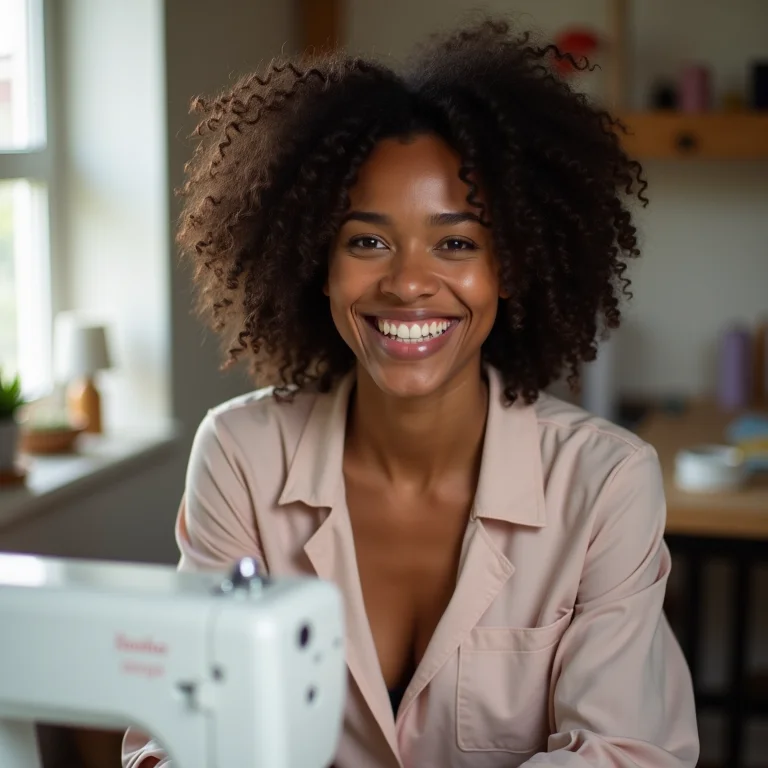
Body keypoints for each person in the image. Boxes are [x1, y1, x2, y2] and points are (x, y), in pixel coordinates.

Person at [122, 18, 699, 768]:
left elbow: (627, 754)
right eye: (366, 242)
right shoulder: (241, 456)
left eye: (456, 243)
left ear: (514, 266)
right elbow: (180, 741)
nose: (407, 283)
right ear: (316, 264)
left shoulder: (605, 483)